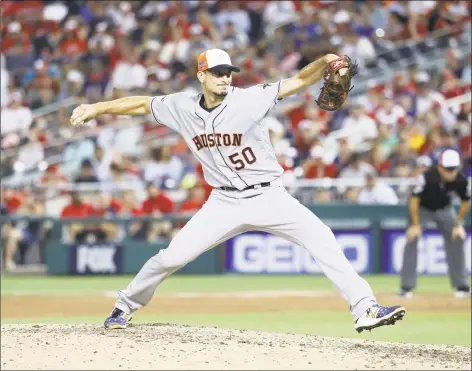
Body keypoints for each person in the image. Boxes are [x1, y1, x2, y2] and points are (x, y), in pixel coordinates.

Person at [71, 48, 406, 332]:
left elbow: (301, 80)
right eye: (216, 72)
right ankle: (123, 307)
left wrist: (328, 61)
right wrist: (96, 108)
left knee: (323, 239)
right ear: (201, 75)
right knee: (171, 257)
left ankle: (365, 307)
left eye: (228, 72)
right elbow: (142, 105)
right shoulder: (181, 107)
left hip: (269, 196)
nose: (224, 77)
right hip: (224, 202)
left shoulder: (250, 99)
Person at [400, 149, 471, 298]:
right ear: (439, 166)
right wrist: (415, 225)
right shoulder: (426, 178)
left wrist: (458, 225)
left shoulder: (461, 180)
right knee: (412, 239)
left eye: (454, 169)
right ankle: (407, 286)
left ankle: (461, 285)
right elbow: (414, 200)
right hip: (421, 209)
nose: (451, 173)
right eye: (448, 169)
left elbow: (465, 202)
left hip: (444, 209)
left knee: (457, 238)